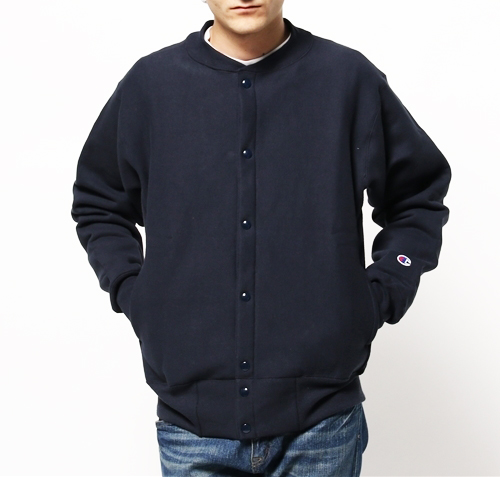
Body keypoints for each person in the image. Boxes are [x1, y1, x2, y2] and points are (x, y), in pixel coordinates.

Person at [70, 0, 451, 475]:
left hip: (322, 425)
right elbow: (99, 202)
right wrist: (135, 292)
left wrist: (384, 289)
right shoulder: (151, 85)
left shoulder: (346, 78)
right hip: (192, 427)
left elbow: (417, 194)